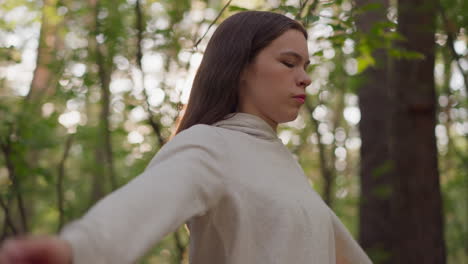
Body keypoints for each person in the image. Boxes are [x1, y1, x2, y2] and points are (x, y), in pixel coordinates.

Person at [0, 11, 373, 264]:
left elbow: (342, 252)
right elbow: (146, 201)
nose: (305, 77)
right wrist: (74, 249)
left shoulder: (285, 165)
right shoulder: (211, 145)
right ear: (240, 66)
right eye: (289, 63)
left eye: (307, 66)